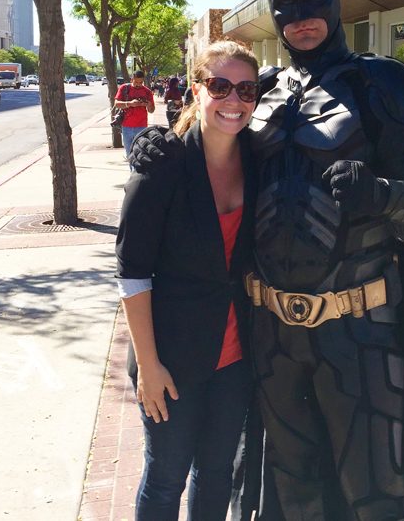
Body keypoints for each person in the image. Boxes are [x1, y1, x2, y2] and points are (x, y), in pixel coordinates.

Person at [130, 0, 404, 521]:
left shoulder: (384, 86)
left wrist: (380, 195)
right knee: (290, 490)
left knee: (375, 490)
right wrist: (163, 144)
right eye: (288, 8)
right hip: (273, 333)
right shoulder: (265, 93)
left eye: (314, 3)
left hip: (358, 328)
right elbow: (217, 144)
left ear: (334, 2)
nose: (302, 19)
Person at [116, 41, 261, 521]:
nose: (233, 100)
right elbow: (133, 271)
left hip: (236, 357)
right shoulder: (164, 163)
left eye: (245, 89)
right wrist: (149, 366)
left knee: (217, 474)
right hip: (171, 360)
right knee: (165, 480)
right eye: (220, 86)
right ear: (196, 90)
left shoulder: (261, 161)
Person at [114, 69, 155, 169]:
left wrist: (148, 104)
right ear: (132, 79)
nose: (138, 84)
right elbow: (117, 104)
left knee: (140, 152)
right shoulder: (124, 88)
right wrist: (130, 104)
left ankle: (136, 173)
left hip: (141, 126)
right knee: (129, 153)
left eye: (140, 82)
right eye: (136, 82)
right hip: (127, 126)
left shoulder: (147, 92)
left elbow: (152, 110)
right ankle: (133, 173)